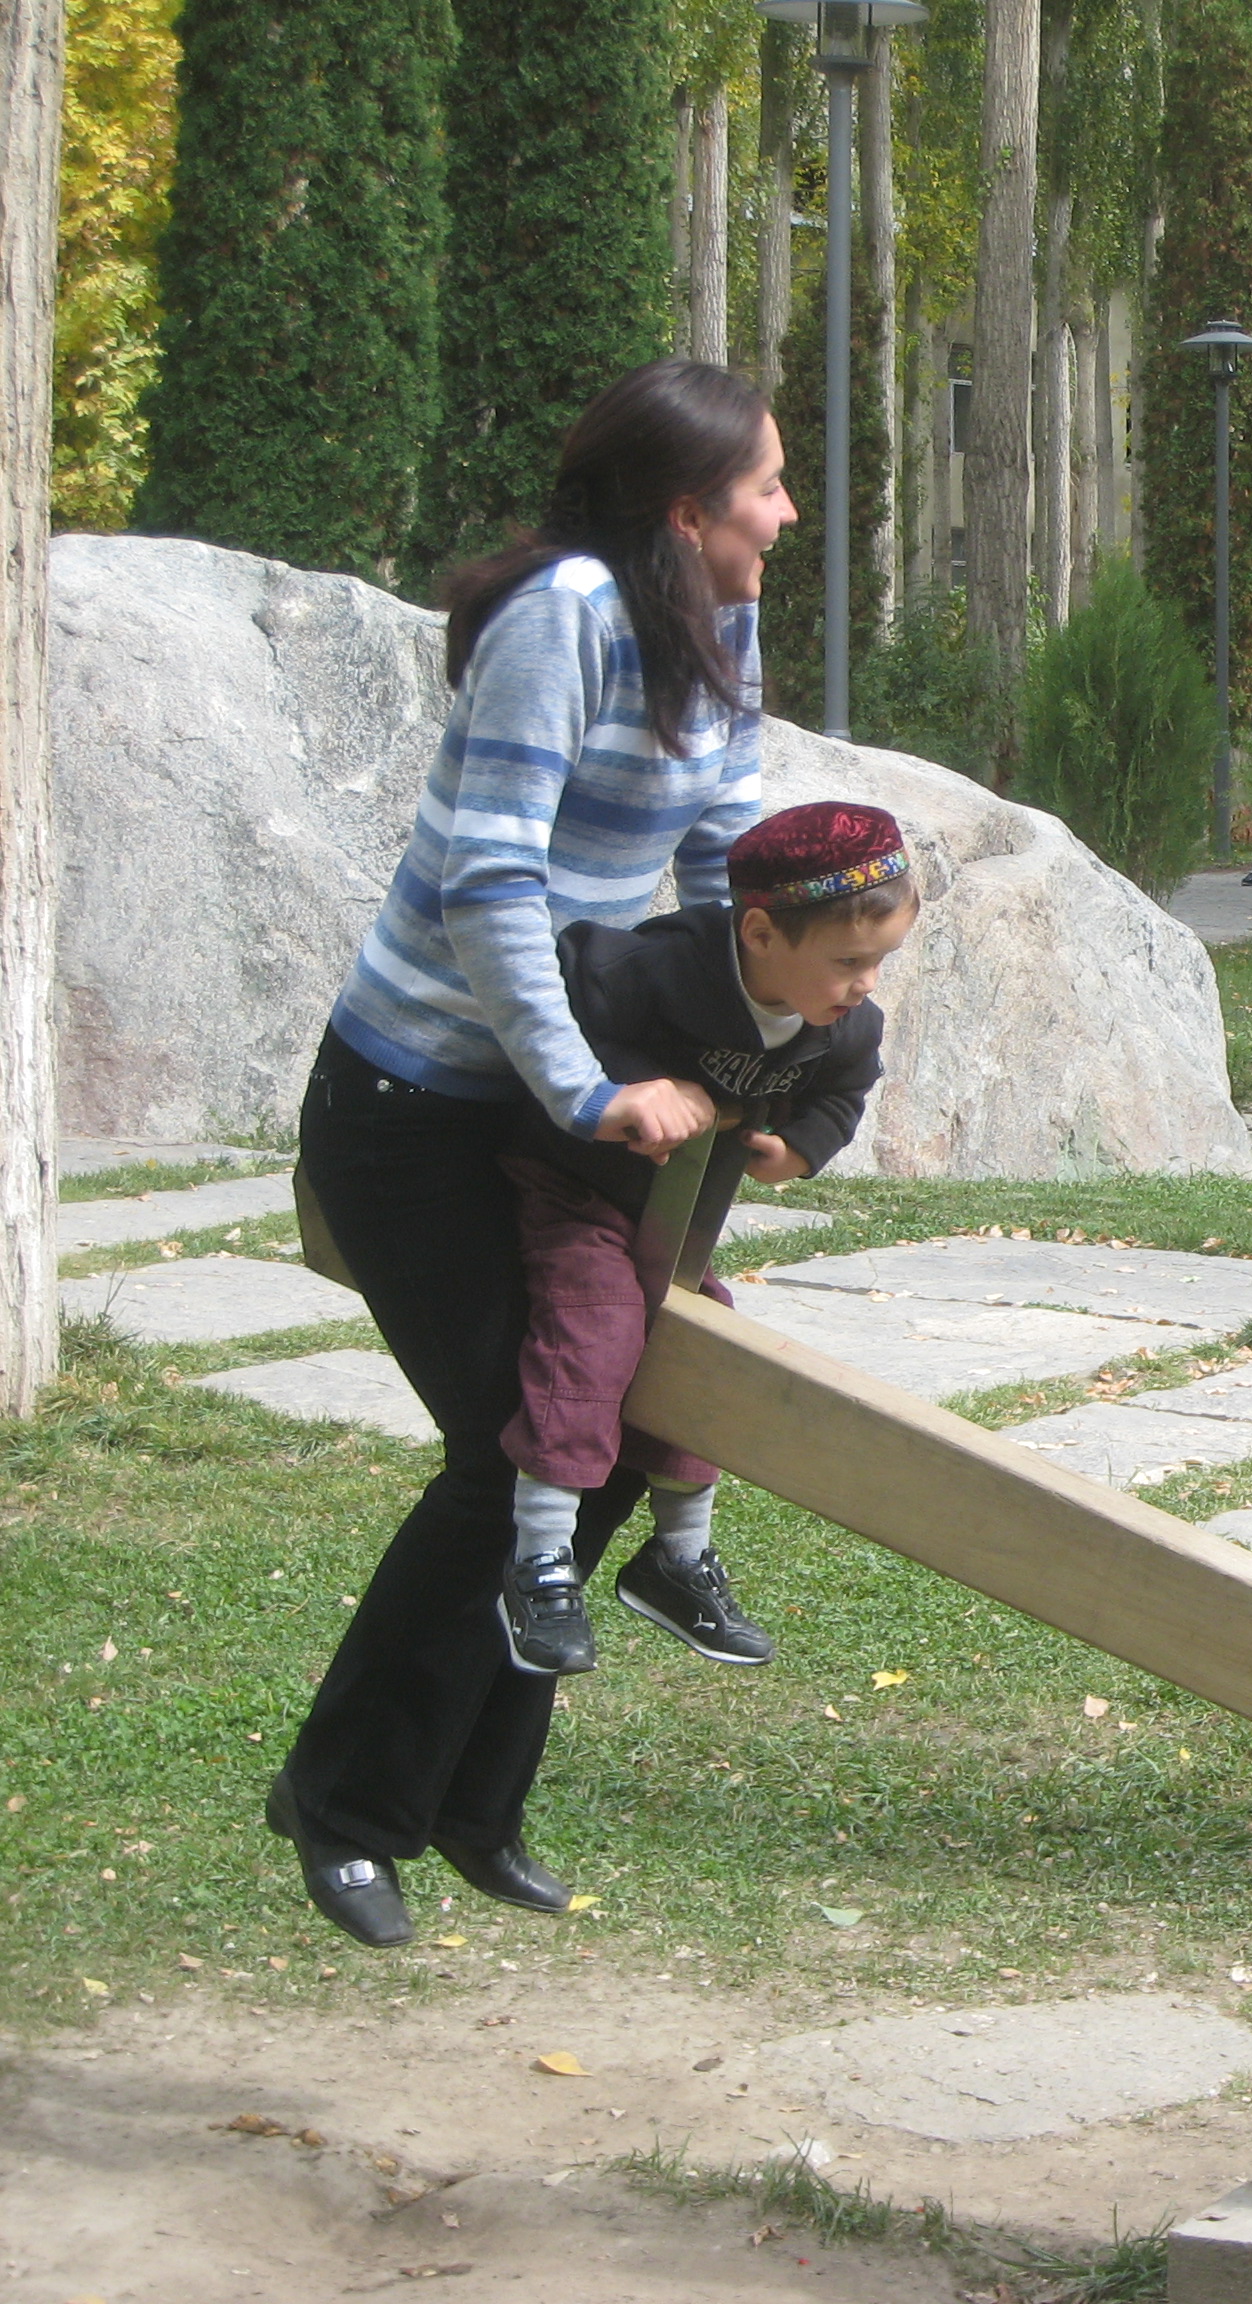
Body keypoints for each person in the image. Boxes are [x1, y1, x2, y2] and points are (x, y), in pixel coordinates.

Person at [270, 358, 790, 1950]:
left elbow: (716, 863)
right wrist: (587, 1095)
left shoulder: (723, 620)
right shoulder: (564, 616)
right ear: (687, 507)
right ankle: (348, 1809)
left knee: (620, 1425)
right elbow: (494, 884)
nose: (784, 514)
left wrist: (744, 1052)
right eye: (766, 488)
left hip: (541, 1091)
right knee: (516, 1447)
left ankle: (473, 1804)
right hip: (415, 1103)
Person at [494, 802, 913, 1679]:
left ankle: (676, 1560)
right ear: (760, 932)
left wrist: (797, 1150)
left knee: (706, 1356)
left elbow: (846, 1088)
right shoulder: (657, 968)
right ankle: (537, 1560)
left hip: (676, 1227)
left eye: (879, 960)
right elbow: (565, 982)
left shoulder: (844, 1022)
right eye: (848, 961)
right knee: (595, 1334)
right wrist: (633, 1087)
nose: (866, 983)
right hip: (577, 1193)